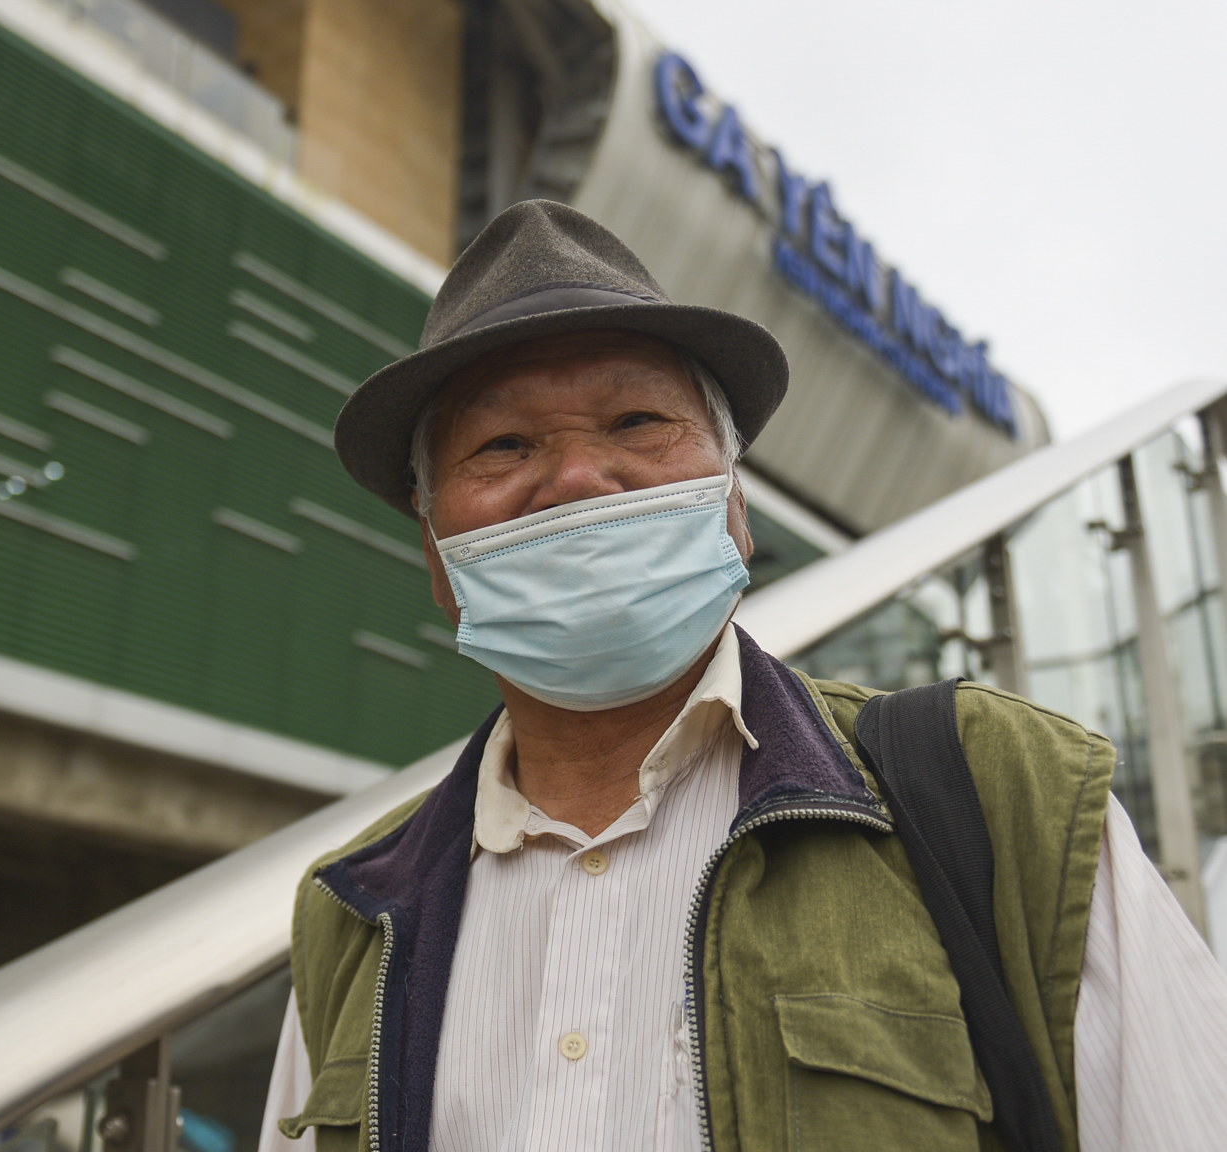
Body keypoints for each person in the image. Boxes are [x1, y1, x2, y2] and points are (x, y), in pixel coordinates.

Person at [255, 201, 1227, 1152]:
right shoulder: (354, 915)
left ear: (734, 508)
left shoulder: (1005, 795)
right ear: (435, 554)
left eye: (638, 420)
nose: (582, 478)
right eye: (505, 445)